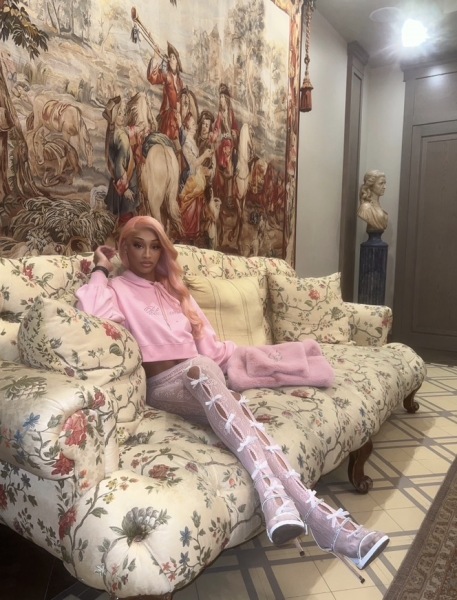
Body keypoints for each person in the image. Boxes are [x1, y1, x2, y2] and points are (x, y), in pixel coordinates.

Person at [75, 216, 389, 579]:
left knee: (229, 398)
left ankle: (313, 515)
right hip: (163, 387)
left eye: (155, 246)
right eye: (138, 245)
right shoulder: (116, 288)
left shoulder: (174, 291)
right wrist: (100, 268)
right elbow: (92, 313)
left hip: (202, 379)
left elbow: (209, 346)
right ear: (125, 249)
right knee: (204, 373)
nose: (147, 254)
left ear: (163, 251)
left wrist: (252, 362)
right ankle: (304, 510)